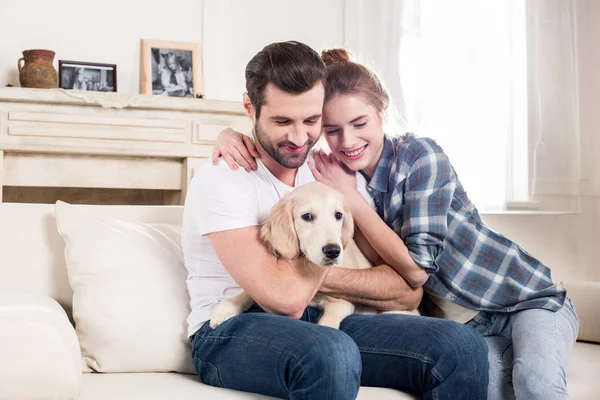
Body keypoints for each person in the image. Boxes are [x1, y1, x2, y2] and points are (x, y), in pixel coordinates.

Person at [215, 46, 581, 400]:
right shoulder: (336, 175)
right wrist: (227, 135)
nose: (349, 140)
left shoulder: (420, 157)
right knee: (484, 385)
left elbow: (417, 272)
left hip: (520, 301)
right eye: (332, 129)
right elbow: (281, 126)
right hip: (463, 325)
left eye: (360, 123)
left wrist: (353, 201)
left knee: (534, 383)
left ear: (382, 112)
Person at [183, 40, 489, 400]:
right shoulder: (226, 177)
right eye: (282, 121)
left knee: (460, 344)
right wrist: (332, 250)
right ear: (249, 108)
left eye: (311, 120)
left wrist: (325, 259)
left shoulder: (329, 176)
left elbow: (407, 291)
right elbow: (286, 300)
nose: (299, 138)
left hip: (324, 318)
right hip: (229, 329)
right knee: (331, 351)